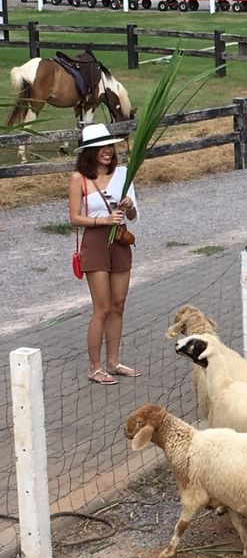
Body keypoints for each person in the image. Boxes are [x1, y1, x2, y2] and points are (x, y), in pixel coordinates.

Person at [68, 123, 140, 385]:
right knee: (103, 308)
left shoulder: (123, 174)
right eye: (101, 147)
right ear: (90, 151)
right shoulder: (79, 178)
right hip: (96, 242)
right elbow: (74, 218)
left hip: (119, 240)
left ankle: (113, 361)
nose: (107, 150)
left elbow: (133, 215)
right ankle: (95, 367)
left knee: (118, 305)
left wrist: (128, 206)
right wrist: (103, 220)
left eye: (109, 146)